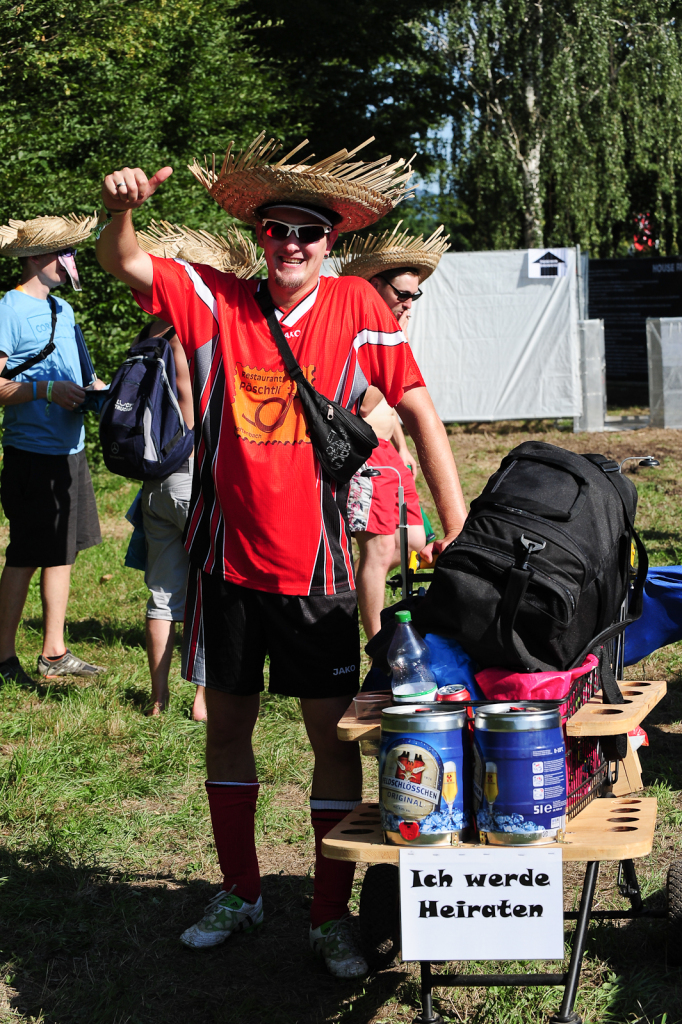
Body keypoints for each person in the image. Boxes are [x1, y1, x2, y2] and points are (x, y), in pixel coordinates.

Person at [95, 133, 467, 979]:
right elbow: (128, 264)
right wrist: (120, 212)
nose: (291, 245)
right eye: (277, 231)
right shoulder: (217, 299)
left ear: (331, 244)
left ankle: (330, 914)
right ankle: (240, 888)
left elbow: (417, 407)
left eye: (308, 232)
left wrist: (458, 520)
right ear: (259, 239)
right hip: (227, 568)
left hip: (322, 576)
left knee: (331, 742)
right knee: (225, 734)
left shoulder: (358, 310)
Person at [133, 222, 265, 719]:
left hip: (155, 480)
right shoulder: (196, 337)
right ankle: (204, 698)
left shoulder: (150, 335)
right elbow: (206, 413)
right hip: (197, 476)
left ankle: (158, 698)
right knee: (215, 586)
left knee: (163, 590)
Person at [0, 214, 107, 685]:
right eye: (66, 253)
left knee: (63, 552)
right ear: (38, 257)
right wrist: (44, 392)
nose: (72, 262)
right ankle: (3, 658)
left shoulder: (64, 310)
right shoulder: (7, 308)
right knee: (25, 554)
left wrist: (103, 391)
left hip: (71, 450)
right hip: (30, 454)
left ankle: (54, 652)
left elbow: (80, 376)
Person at [335, 224, 451, 639]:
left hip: (388, 454)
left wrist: (402, 448)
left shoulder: (389, 335)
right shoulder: (358, 332)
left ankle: (392, 623)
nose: (409, 303)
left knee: (416, 541)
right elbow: (363, 403)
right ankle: (376, 640)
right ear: (373, 287)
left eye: (414, 295)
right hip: (364, 456)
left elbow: (396, 408)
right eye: (401, 293)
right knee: (381, 550)